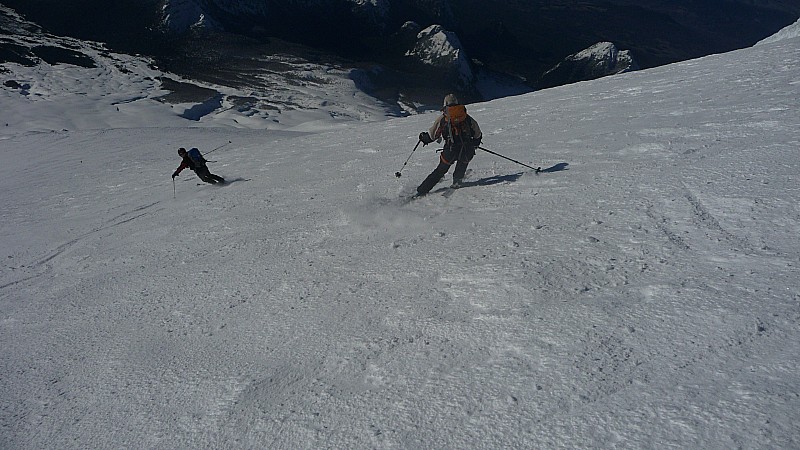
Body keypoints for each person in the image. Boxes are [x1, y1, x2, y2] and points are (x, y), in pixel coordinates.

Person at [416, 94, 482, 196]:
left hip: (450, 150)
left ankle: (422, 190)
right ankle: (457, 180)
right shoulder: (466, 117)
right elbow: (477, 133)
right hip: (467, 149)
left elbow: (432, 136)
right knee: (462, 163)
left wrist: (423, 137)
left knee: (440, 171)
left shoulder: (443, 119)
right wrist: (475, 144)